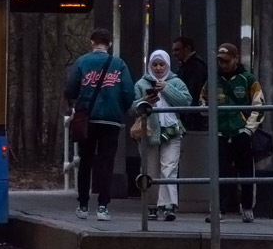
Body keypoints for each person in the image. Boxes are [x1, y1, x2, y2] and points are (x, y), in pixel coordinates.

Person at [62, 28, 135, 222]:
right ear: (109, 44)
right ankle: (103, 207)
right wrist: (120, 110)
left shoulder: (82, 62)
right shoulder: (119, 64)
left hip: (88, 119)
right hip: (111, 120)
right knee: (106, 162)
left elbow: (70, 89)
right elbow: (128, 93)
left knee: (85, 161)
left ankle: (83, 205)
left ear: (92, 42)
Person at [201, 42, 264, 222]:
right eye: (220, 61)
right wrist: (207, 112)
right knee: (220, 172)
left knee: (246, 172)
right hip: (221, 134)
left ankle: (247, 208)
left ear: (236, 59)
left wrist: (248, 130)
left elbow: (259, 106)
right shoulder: (212, 80)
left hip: (242, 133)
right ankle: (218, 209)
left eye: (227, 61)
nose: (223, 64)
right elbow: (202, 100)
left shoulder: (249, 79)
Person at [132, 50, 190, 222]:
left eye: (161, 64)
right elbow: (132, 108)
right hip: (149, 132)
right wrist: (144, 101)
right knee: (149, 170)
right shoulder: (141, 84)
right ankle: (151, 205)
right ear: (150, 65)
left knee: (169, 168)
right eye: (155, 64)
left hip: (172, 131)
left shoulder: (176, 82)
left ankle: (168, 205)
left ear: (167, 65)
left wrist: (166, 88)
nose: (158, 68)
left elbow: (186, 102)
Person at [170, 36, 208, 132]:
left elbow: (194, 92)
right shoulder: (190, 65)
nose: (174, 53)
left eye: (177, 50)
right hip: (191, 116)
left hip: (194, 118)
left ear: (187, 48)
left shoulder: (195, 66)